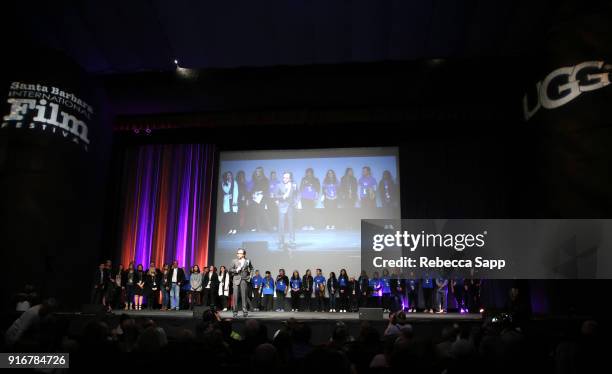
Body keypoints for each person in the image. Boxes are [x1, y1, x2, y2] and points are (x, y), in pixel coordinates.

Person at [274, 171, 298, 250]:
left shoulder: (294, 185)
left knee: (291, 224)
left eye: (287, 177)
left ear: (290, 178)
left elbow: (298, 194)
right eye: (284, 177)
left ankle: (292, 241)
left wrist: (296, 202)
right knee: (281, 225)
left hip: (290, 206)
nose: (285, 179)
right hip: (282, 206)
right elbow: (275, 195)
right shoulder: (279, 185)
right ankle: (281, 242)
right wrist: (282, 197)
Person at [230, 248, 253, 317]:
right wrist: (236, 270)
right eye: (237, 253)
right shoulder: (234, 261)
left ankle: (245, 312)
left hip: (244, 279)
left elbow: (251, 269)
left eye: (239, 253)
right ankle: (235, 312)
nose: (238, 254)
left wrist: (250, 276)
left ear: (243, 254)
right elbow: (230, 269)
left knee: (244, 296)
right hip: (236, 279)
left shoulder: (248, 261)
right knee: (235, 297)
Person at [249, 166, 270, 232]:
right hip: (255, 198)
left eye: (258, 171)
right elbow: (252, 188)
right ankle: (258, 228)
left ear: (261, 172)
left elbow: (266, 188)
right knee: (256, 213)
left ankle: (268, 227)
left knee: (263, 212)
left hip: (262, 198)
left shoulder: (265, 179)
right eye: (256, 171)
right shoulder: (254, 179)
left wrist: (260, 192)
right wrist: (253, 193)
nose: (257, 172)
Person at [221, 171, 239, 235]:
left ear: (231, 175)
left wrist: (235, 201)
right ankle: (230, 229)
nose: (229, 176)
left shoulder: (235, 182)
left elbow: (236, 192)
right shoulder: (224, 183)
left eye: (230, 175)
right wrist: (228, 184)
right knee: (228, 215)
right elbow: (226, 191)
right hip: (227, 201)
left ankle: (234, 228)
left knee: (234, 215)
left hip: (233, 201)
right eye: (227, 175)